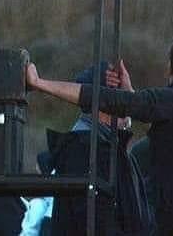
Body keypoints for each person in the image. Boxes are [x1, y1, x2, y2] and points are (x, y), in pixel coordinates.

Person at [26, 31, 173, 235]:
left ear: (171, 69)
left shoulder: (172, 100)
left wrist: (40, 83)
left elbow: (104, 98)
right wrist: (130, 93)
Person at [45, 62, 153, 235]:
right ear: (104, 104)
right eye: (121, 99)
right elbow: (94, 220)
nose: (127, 106)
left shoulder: (113, 150)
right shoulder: (83, 149)